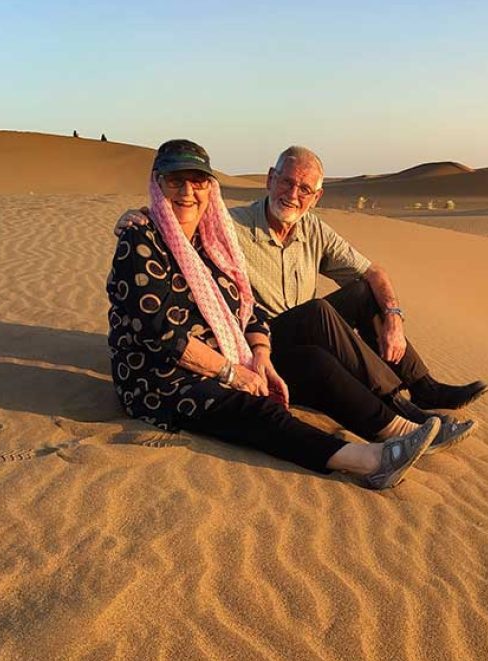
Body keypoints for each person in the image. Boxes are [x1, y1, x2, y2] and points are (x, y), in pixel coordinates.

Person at [107, 139, 440, 489]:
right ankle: (369, 461)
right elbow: (163, 337)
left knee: (312, 362)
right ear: (157, 183)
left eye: (198, 180)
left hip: (225, 356)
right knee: (255, 411)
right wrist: (233, 373)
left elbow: (248, 311)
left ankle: (402, 429)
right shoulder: (140, 240)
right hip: (163, 380)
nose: (188, 191)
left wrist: (261, 358)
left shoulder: (211, 242)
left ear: (210, 187)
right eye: (175, 180)